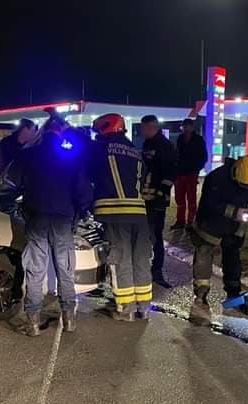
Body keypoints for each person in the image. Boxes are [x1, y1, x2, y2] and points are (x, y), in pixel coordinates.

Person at [7, 116, 93, 337]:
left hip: (37, 218)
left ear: (43, 133)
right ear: (60, 133)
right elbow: (82, 190)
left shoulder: (29, 155)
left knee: (35, 270)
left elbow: (12, 180)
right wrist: (82, 211)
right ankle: (69, 318)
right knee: (65, 269)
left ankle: (33, 322)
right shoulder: (70, 157)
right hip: (63, 219)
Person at [89, 113, 152, 322]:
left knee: (119, 260)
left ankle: (125, 309)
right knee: (141, 259)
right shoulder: (135, 150)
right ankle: (143, 306)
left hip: (114, 212)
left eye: (98, 131)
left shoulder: (102, 149)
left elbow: (89, 174)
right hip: (139, 213)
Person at [191, 156, 248, 305]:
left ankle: (233, 291)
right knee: (204, 253)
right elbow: (210, 204)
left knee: (232, 257)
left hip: (234, 228)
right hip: (209, 224)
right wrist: (234, 212)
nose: (246, 189)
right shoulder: (216, 178)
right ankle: (201, 291)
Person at [140, 115, 176, 286]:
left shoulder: (164, 146)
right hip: (145, 199)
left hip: (157, 201)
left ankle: (157, 272)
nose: (142, 131)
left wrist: (161, 192)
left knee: (155, 235)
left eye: (144, 128)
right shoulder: (148, 144)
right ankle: (146, 268)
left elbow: (170, 172)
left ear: (152, 127)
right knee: (145, 235)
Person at [171, 118, 207, 230]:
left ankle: (191, 222)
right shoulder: (180, 139)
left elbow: (203, 157)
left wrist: (196, 169)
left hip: (191, 173)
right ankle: (180, 221)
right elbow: (177, 154)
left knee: (191, 199)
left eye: (187, 126)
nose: (185, 129)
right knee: (179, 199)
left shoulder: (198, 140)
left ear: (192, 127)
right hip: (180, 173)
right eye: (183, 127)